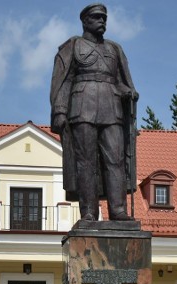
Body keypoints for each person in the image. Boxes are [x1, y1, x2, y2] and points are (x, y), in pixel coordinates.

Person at [50, 3, 138, 222]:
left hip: (112, 108)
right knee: (86, 162)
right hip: (82, 108)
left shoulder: (114, 49)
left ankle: (117, 211)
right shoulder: (73, 45)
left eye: (104, 18)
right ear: (85, 21)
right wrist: (60, 110)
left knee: (115, 160)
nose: (102, 22)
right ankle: (89, 211)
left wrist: (129, 93)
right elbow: (63, 80)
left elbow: (122, 81)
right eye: (97, 17)